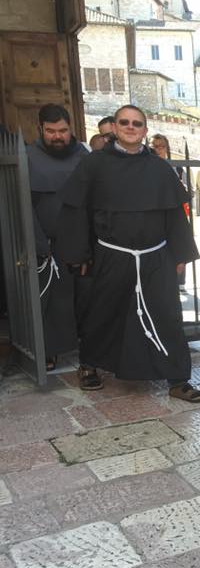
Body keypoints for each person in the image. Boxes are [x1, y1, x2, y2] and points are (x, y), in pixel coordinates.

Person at [54, 105, 200, 402]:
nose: (131, 127)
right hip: (112, 254)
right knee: (103, 312)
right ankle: (89, 366)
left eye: (137, 123)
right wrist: (80, 254)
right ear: (115, 127)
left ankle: (177, 379)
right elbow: (78, 212)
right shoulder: (94, 165)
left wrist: (180, 255)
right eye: (124, 122)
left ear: (145, 130)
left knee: (167, 315)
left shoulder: (160, 168)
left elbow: (175, 215)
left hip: (155, 257)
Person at [26, 104, 88, 371]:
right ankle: (49, 350)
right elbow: (24, 205)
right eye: (51, 131)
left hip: (83, 239)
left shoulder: (83, 155)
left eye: (62, 130)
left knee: (88, 297)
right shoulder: (27, 156)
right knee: (53, 302)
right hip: (49, 243)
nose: (57, 136)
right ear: (40, 129)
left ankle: (92, 351)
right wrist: (39, 243)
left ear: (70, 128)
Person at [150, 133, 191, 293]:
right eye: (155, 146)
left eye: (161, 146)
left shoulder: (178, 167)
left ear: (167, 148)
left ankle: (180, 282)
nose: (158, 149)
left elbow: (189, 192)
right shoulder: (147, 166)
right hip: (156, 214)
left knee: (179, 245)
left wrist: (183, 189)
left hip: (176, 212)